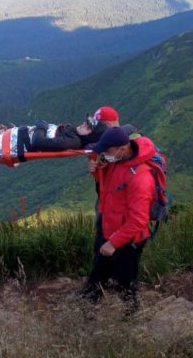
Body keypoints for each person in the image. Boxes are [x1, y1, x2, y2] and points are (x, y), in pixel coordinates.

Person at [80, 127, 156, 313]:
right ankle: (86, 304)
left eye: (107, 150)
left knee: (125, 281)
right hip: (108, 230)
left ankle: (132, 314)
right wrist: (95, 171)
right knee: (98, 272)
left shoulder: (140, 177)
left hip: (128, 240)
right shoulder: (117, 161)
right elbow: (107, 189)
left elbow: (139, 220)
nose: (104, 153)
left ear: (122, 148)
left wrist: (113, 243)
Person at [30, 106, 118, 151]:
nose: (84, 124)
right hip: (23, 133)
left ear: (90, 137)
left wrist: (41, 126)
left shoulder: (72, 142)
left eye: (88, 127)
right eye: (87, 122)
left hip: (21, 141)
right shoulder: (74, 133)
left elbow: (38, 142)